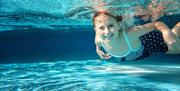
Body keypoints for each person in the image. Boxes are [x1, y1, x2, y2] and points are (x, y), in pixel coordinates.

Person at [93, 11, 180, 61]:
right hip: (138, 54)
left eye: (111, 26)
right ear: (96, 30)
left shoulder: (130, 35)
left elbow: (156, 24)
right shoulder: (99, 40)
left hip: (150, 43)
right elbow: (98, 42)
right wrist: (98, 50)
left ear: (118, 25)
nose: (107, 32)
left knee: (174, 44)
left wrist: (166, 32)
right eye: (101, 28)